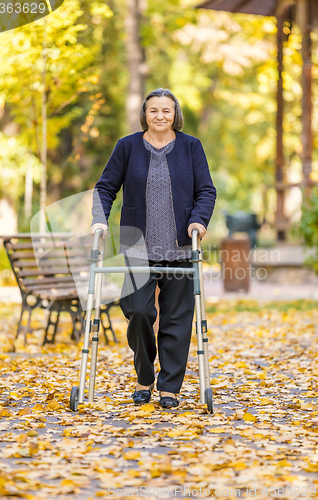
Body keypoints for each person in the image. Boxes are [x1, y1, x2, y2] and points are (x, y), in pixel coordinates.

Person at [91, 88, 216, 408]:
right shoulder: (127, 146)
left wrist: (199, 221)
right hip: (137, 245)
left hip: (180, 246)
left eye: (167, 111)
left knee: (177, 316)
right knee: (139, 311)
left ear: (176, 115)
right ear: (144, 114)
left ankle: (169, 388)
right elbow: (105, 187)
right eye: (154, 111)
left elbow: (206, 191)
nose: (160, 116)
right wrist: (99, 220)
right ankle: (144, 376)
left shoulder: (191, 147)